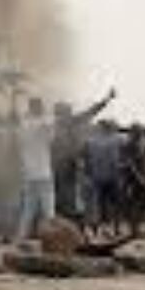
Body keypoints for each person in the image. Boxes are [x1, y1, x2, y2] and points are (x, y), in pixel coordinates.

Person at [51, 89, 116, 225]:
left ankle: (72, 224)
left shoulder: (70, 122)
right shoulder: (52, 127)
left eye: (65, 112)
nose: (63, 116)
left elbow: (92, 111)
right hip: (59, 166)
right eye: (62, 113)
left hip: (69, 164)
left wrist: (106, 99)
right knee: (61, 196)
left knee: (70, 196)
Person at [15, 97, 56, 242]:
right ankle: (52, 240)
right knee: (49, 211)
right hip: (43, 173)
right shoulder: (44, 123)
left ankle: (20, 239)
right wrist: (47, 117)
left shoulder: (23, 124)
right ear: (38, 108)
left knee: (28, 211)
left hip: (28, 173)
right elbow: (51, 136)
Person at [84, 120, 123, 236]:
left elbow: (86, 160)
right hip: (112, 176)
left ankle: (97, 229)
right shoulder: (117, 139)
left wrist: (88, 173)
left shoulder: (91, 141)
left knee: (98, 205)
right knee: (114, 204)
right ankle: (115, 229)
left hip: (97, 177)